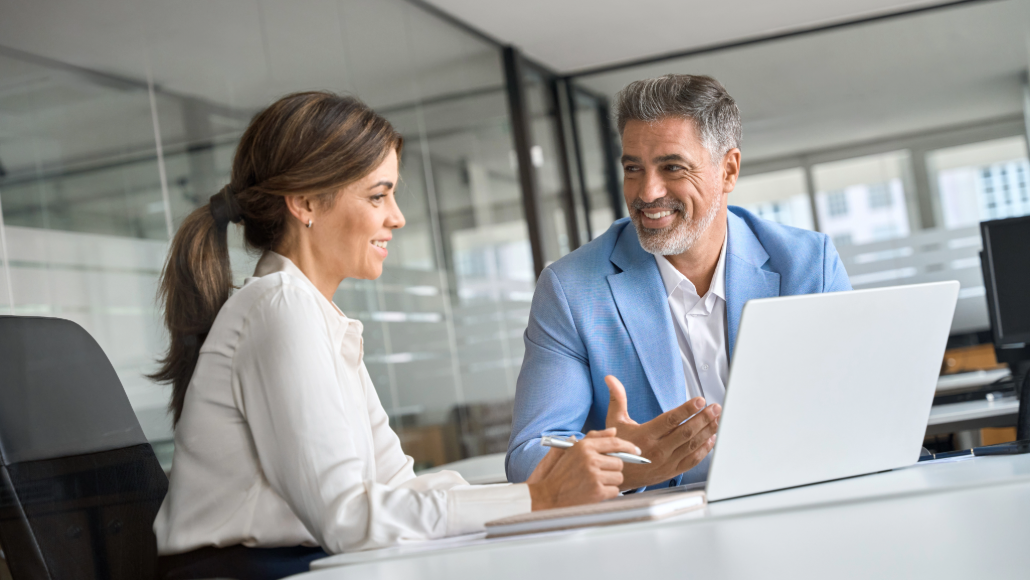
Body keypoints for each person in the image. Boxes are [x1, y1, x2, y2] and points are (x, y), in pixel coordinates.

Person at [151, 92, 637, 580]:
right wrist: (536, 498)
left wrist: (548, 482)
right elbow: (348, 518)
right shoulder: (281, 308)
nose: (397, 217)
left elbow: (397, 487)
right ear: (303, 203)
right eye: (378, 195)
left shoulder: (315, 316)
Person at [506, 74, 852, 492]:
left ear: (728, 170)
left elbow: (855, 406)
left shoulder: (807, 266)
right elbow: (528, 455)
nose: (647, 192)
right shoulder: (572, 290)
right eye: (633, 168)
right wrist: (625, 465)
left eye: (672, 167)